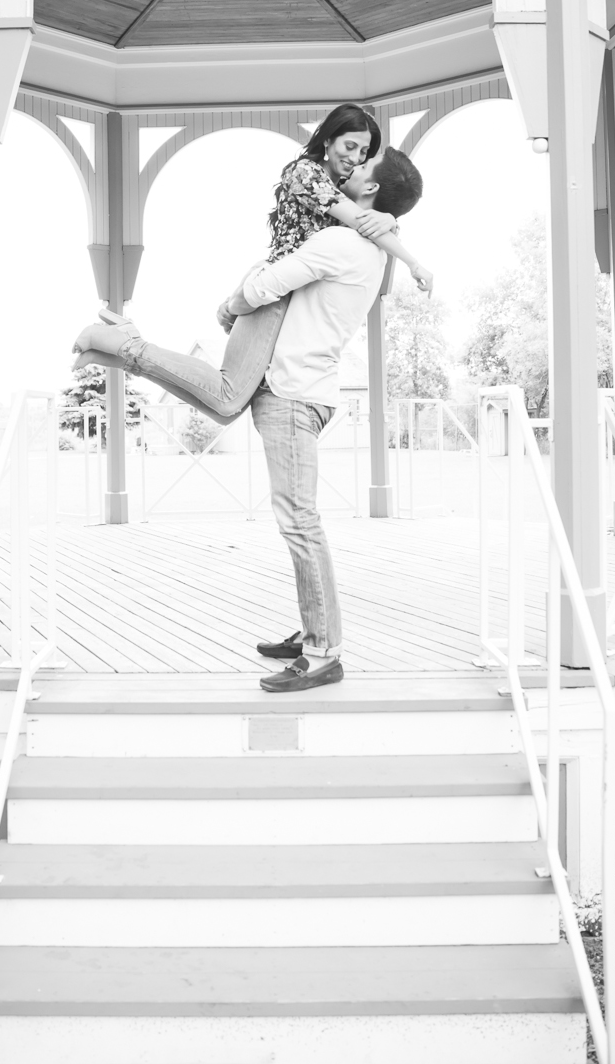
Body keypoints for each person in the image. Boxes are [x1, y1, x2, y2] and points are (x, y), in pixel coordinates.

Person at [75, 146, 424, 693]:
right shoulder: (372, 251)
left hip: (292, 393)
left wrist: (232, 304)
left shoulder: (341, 242)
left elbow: (263, 287)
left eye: (360, 168)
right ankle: (315, 628)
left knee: (299, 521)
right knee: (224, 407)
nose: (349, 170)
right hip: (301, 388)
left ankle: (323, 651)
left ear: (372, 190)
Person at [72, 104, 430, 424]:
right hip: (273, 294)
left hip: (282, 293)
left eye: (364, 153)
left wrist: (389, 218)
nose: (355, 158)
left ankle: (121, 351)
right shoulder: (306, 174)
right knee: (227, 397)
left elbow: (365, 220)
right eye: (350, 146)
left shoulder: (343, 188)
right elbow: (360, 220)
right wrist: (411, 259)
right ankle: (128, 344)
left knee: (224, 411)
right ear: (328, 139)